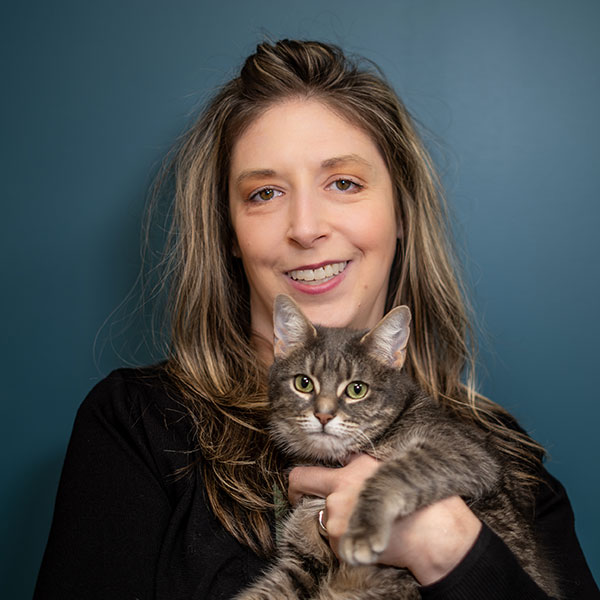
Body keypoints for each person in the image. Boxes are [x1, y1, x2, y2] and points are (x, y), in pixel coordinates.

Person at [34, 39, 598, 599]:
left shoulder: (512, 461)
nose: (305, 228)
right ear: (229, 233)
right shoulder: (136, 424)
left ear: (401, 211)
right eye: (265, 192)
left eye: (344, 183)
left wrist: (447, 546)